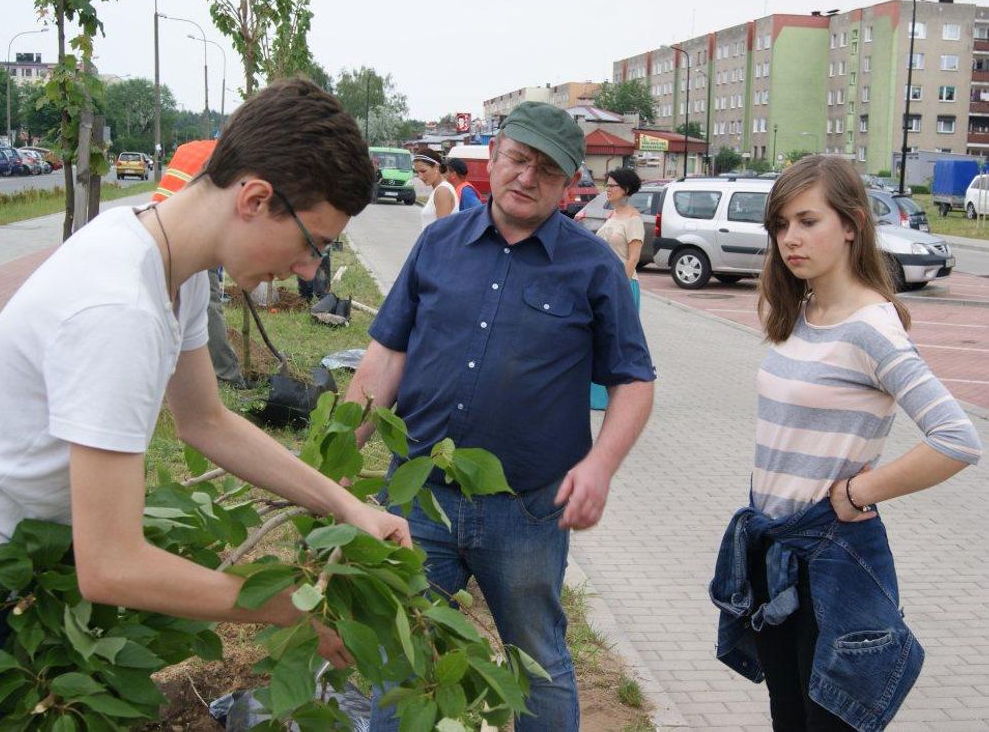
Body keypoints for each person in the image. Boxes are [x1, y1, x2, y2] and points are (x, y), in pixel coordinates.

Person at [0, 79, 411, 732]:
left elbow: (205, 421)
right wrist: (283, 605)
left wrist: (347, 505)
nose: (309, 270)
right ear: (256, 198)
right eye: (314, 244)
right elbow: (111, 565)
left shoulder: (168, 255)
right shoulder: (118, 309)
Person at [346, 101, 656, 731]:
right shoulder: (437, 243)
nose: (526, 177)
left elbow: (634, 382)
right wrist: (333, 461)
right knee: (400, 649)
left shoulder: (592, 265)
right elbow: (384, 359)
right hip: (419, 499)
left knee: (535, 659)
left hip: (527, 508)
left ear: (569, 184)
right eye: (517, 159)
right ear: (494, 159)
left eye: (546, 169)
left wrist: (600, 466)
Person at [710, 155, 981, 731]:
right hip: (774, 551)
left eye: (808, 221)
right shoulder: (805, 311)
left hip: (831, 561)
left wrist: (859, 491)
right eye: (781, 225)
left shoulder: (869, 326)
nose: (790, 239)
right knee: (790, 717)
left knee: (828, 721)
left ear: (852, 224)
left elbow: (957, 438)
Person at [153, 139, 249, 388]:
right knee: (208, 302)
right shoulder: (235, 156)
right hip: (187, 233)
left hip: (159, 221)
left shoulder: (192, 147)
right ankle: (227, 373)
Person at [590, 167, 644, 410]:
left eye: (613, 185)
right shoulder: (613, 216)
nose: (608, 189)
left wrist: (619, 289)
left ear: (627, 189)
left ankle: (620, 396)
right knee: (600, 339)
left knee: (618, 342)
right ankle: (596, 396)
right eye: (607, 185)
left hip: (623, 286)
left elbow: (633, 259)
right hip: (605, 285)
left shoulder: (633, 220)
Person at [413, 150, 457, 227]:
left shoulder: (442, 191)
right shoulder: (439, 189)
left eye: (423, 171)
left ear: (436, 166)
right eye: (417, 172)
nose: (420, 177)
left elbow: (442, 231)